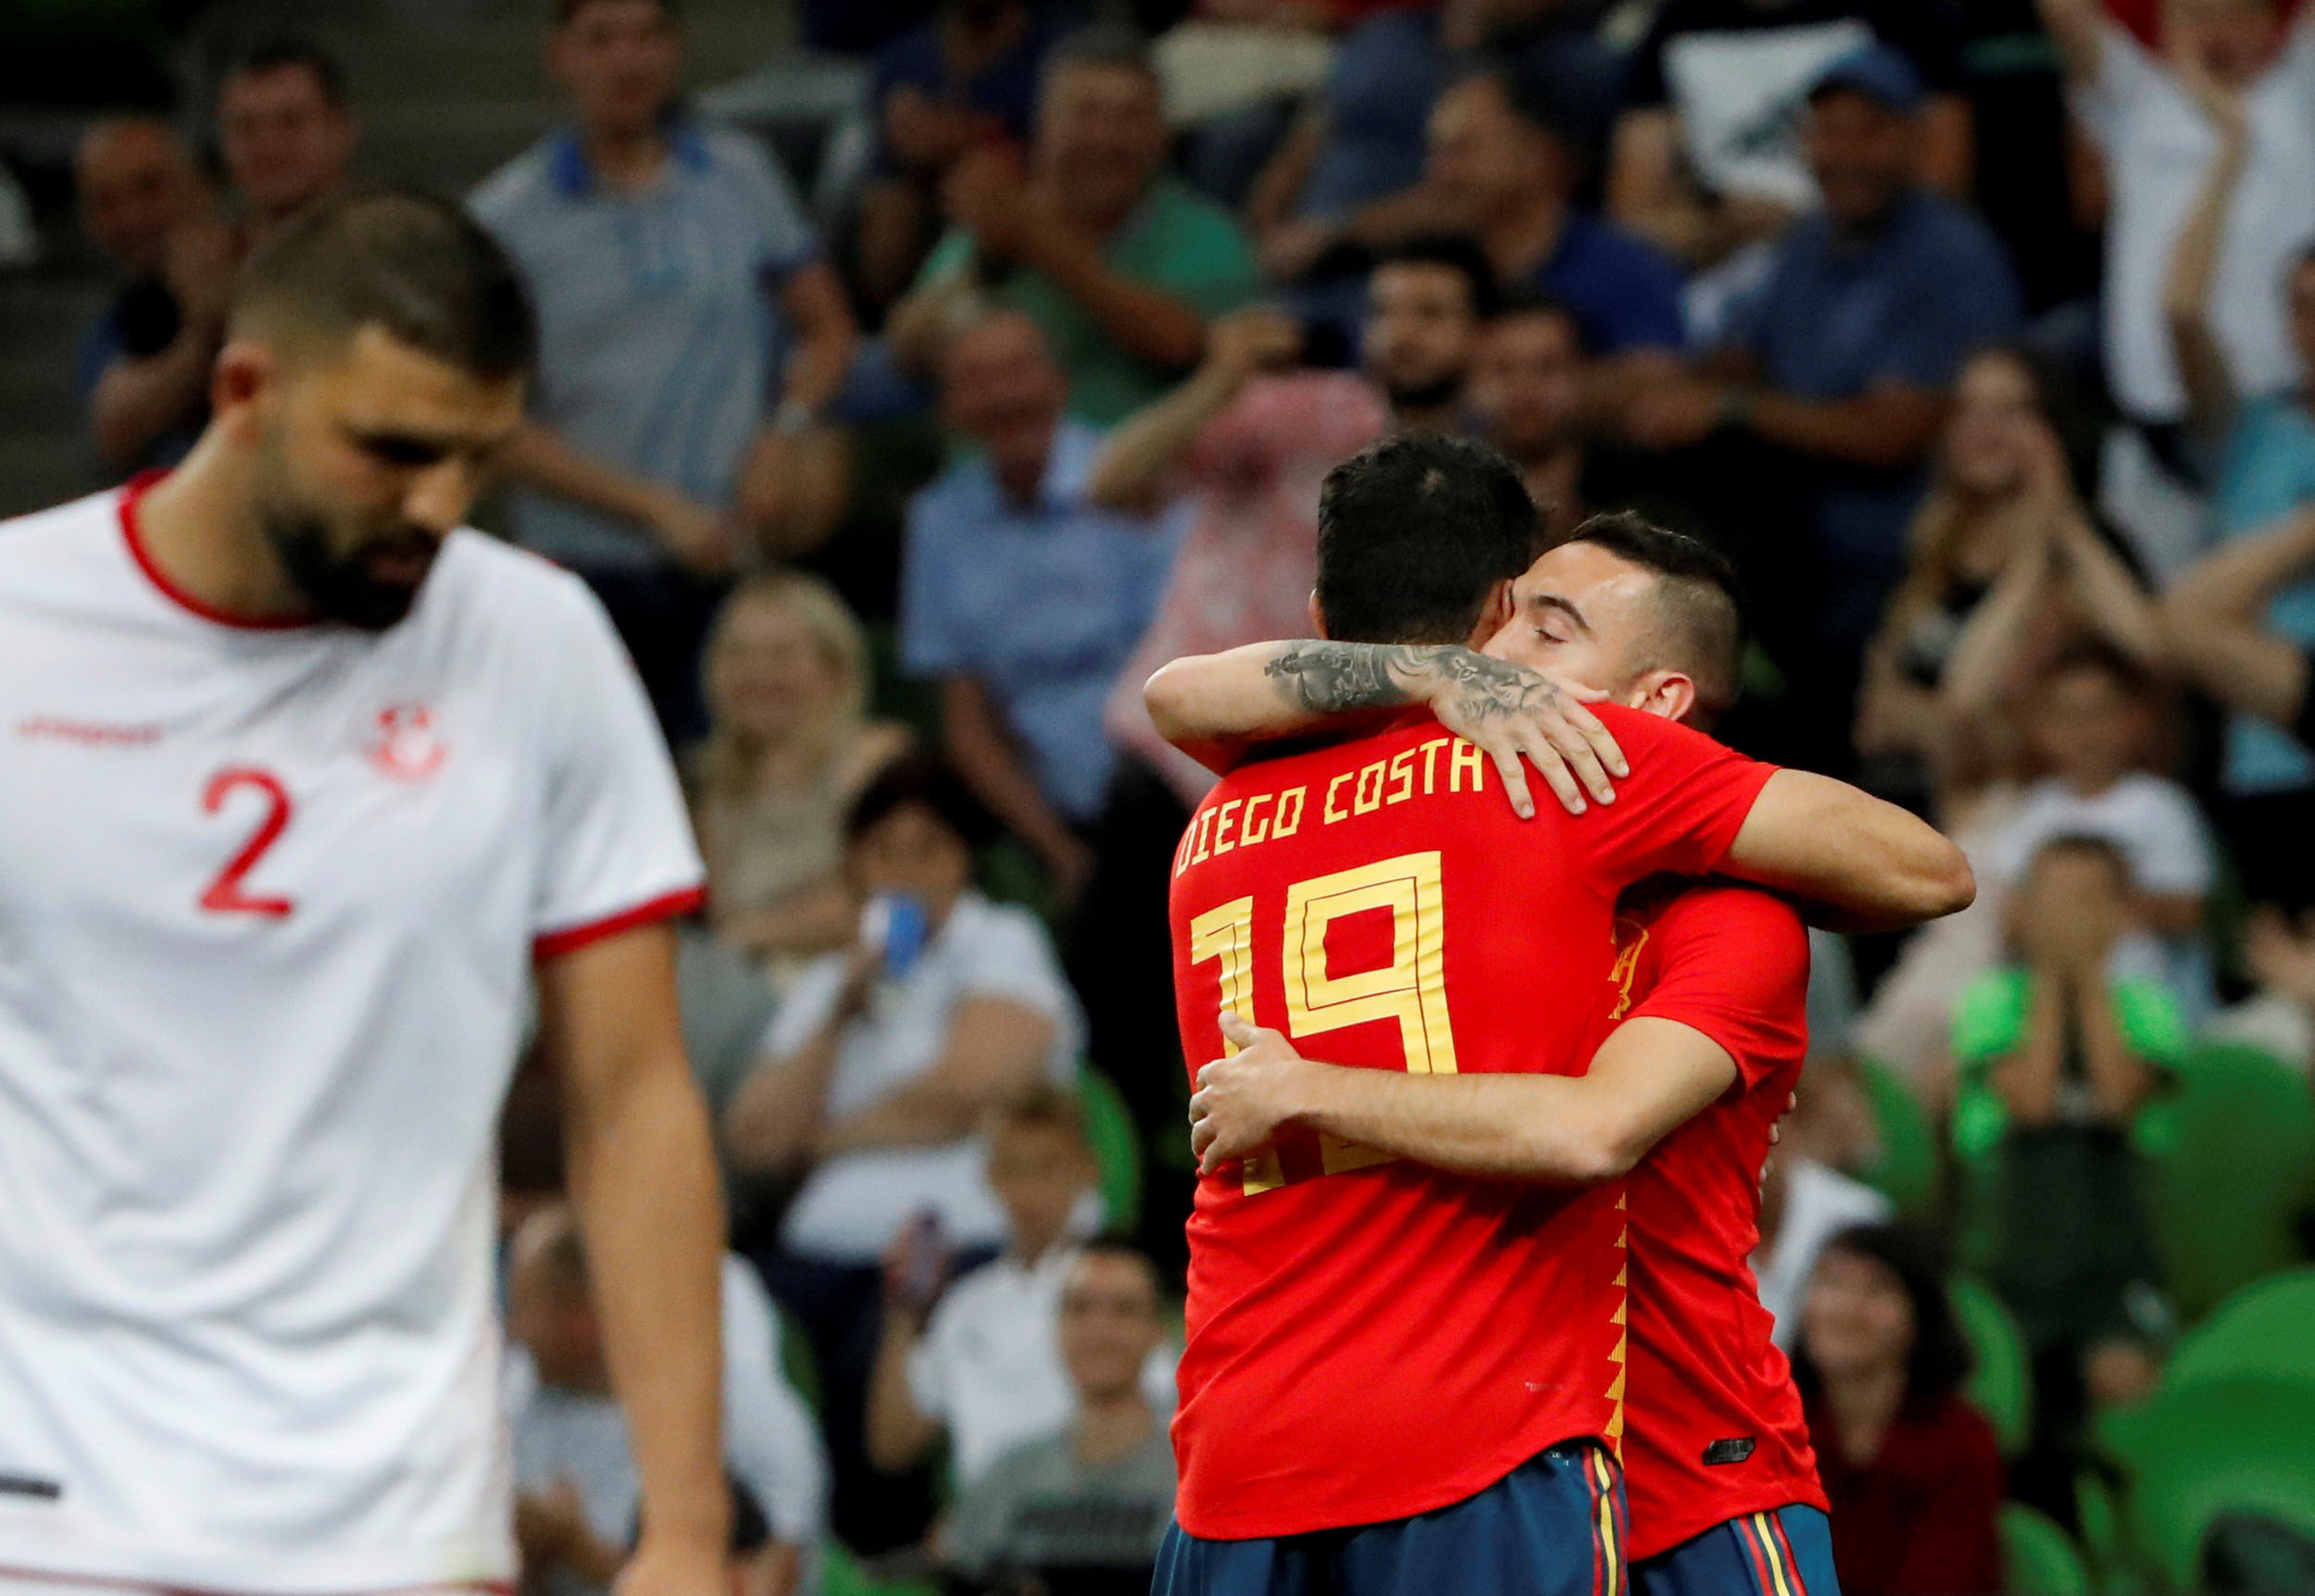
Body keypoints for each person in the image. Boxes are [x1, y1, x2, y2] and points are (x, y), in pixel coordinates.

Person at [0, 191, 728, 1593]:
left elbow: (633, 1098)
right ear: (243, 390)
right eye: (393, 451)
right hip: (40, 1504)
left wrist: (686, 1533)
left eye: (475, 458)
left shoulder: (537, 639)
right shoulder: (14, 625)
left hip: (394, 1514)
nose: (438, 508)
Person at [1146, 437, 1971, 1592]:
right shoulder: (1475, 793)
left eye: (1549, 631)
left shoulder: (1732, 922)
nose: (1501, 660)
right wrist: (1428, 674)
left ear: (1657, 704)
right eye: (1512, 622)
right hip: (1489, 1450)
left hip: (1690, 1486)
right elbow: (1181, 692)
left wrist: (1303, 1086)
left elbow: (1594, 1127)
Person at [1082, 239, 1491, 1250]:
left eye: (1434, 309)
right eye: (1390, 308)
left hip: (1324, 787)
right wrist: (1221, 376)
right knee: (1131, 1028)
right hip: (1169, 756)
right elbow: (1110, 478)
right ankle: (1134, 1237)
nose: (1405, 330)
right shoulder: (1303, 412)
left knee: (1279, 1035)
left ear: (1481, 333)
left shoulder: (1487, 478)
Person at [1622, 44, 2024, 772]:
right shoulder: (1810, 242)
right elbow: (1745, 353)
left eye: (1867, 130)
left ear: (1911, 138)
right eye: (1827, 132)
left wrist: (1733, 406)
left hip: (1909, 556)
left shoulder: (1950, 255)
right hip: (1804, 556)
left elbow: (1896, 434)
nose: (1844, 153)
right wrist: (1656, 387)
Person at [725, 754, 1084, 1551]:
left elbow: (956, 1097)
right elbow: (752, 1139)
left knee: (876, 1332)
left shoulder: (1001, 942)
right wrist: (840, 1011)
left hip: (966, 1233)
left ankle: (883, 1547)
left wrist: (817, 1142)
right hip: (815, 1250)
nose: (903, 869)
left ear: (961, 857)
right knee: (733, 1317)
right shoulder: (830, 981)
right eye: (882, 851)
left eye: (925, 848)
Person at [473, 0, 858, 741]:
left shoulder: (741, 174)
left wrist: (786, 431)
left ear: (675, 49)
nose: (628, 59)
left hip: (730, 558)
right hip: (581, 569)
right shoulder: (506, 218)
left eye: (648, 36)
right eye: (602, 38)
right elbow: (490, 422)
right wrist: (656, 510)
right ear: (560, 54)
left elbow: (829, 330)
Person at [901, 307, 1181, 902]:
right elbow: (968, 725)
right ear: (951, 408)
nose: (1002, 396)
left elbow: (1192, 652)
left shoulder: (1131, 474)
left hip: (1173, 787)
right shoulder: (940, 522)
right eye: (977, 380)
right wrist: (1059, 853)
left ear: (1060, 381)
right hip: (1054, 813)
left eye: (1017, 371)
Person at [1950, 834, 2182, 1505]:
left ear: (2122, 912)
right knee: (1996, 1416)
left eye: (2086, 900)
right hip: (2006, 1263)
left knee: (2124, 1395)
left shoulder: (2147, 1007)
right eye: (2050, 897)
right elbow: (2033, 1100)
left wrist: (2084, 974)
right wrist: (2051, 972)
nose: (2065, 915)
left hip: (2114, 1267)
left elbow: (2113, 1098)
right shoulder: (1991, 1001)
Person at [889, 25, 1263, 427]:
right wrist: (980, 264)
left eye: (1130, 117)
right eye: (1085, 114)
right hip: (983, 476)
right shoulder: (1000, 223)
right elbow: (908, 351)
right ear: (1043, 126)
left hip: (1134, 475)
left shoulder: (1209, 235)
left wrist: (1038, 242)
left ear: (1160, 137)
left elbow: (1181, 347)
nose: (1106, 138)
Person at [1855, 346, 2165, 814]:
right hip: (1907, 794)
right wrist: (1939, 723)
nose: (1984, 429)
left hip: (2035, 799)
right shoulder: (1928, 547)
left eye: (2008, 410)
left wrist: (2057, 512)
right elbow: (1875, 716)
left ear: (2050, 427)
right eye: (1966, 409)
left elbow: (2148, 649)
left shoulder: (2086, 547)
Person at [507, 1203, 826, 1596]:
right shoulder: (516, 1396)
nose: (513, 1333)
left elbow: (776, 1581)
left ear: (584, 1319)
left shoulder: (741, 1408)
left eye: (523, 1309)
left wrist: (581, 1554)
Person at [866, 1087, 1175, 1489]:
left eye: (1047, 1167)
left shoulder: (1115, 1292)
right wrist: (903, 1317)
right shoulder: (965, 1306)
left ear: (1087, 1169)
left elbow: (1164, 1420)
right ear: (990, 1177)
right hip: (988, 1533)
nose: (1029, 1190)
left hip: (1098, 1517)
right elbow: (892, 1447)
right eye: (1013, 1169)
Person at [2033, 0, 2315, 436]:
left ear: (2270, 24)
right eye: (2194, 16)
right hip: (2161, 409)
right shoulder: (2135, 94)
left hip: (2288, 404)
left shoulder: (2299, 90)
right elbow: (2064, 12)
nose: (2215, 33)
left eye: (2234, 13)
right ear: (2163, 27)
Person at [1244, 0, 1625, 288]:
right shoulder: (1384, 34)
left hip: (1413, 275)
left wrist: (1336, 234)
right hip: (1297, 257)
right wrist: (1265, 226)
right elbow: (1310, 136)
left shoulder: (1565, 69)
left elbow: (1509, 197)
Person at [2162, 242, 2315, 905]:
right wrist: (2230, 151)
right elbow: (2181, 311)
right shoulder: (2252, 431)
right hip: (2268, 748)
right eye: (2305, 308)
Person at [1608, 0, 1971, 269]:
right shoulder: (1674, 26)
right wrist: (1718, 228)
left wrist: (1805, 226)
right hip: (1717, 269)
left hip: (1868, 261)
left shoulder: (1903, 16)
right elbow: (1632, 218)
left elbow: (1941, 190)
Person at [689, 572, 912, 976]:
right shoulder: (716, 780)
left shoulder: (876, 760)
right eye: (738, 654)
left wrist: (751, 935)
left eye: (782, 654)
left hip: (862, 984)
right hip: (748, 987)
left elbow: (900, 899)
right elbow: (720, 918)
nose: (757, 673)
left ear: (836, 669)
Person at [943, 1244, 1181, 1596]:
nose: (1099, 1329)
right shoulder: (1004, 1478)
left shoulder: (1193, 1479)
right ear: (1056, 1328)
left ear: (1158, 1330)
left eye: (1124, 1310)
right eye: (1079, 1309)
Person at [1793, 1224, 2006, 1596]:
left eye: (1876, 1289)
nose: (1843, 1307)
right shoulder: (1774, 1429)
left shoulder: (1961, 1443)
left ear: (1920, 1316)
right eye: (1830, 1283)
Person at [1420, 69, 1685, 358]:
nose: (1439, 172)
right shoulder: (1418, 272)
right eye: (1436, 151)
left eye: (1461, 150)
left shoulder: (1627, 271)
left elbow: (1660, 379)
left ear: (1537, 154)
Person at [854, 0, 1059, 313]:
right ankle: (889, 324)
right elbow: (889, 153)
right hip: (918, 189)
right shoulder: (901, 59)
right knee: (888, 209)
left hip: (1019, 197)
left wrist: (963, 137)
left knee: (986, 179)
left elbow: (1053, 152)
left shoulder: (1055, 54)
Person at [73, 117, 232, 471]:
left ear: (200, 185)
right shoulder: (112, 328)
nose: (131, 216)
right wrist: (205, 326)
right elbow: (116, 429)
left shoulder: (276, 273)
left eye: (149, 187)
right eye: (105, 201)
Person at [1467, 293, 1591, 541]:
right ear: (1471, 381)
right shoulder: (1440, 502)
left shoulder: (1640, 492)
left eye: (1548, 368)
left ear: (1581, 375)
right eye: (1504, 369)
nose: (1526, 391)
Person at [218, 40, 359, 236]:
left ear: (341, 127)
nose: (268, 147)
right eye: (246, 127)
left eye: (291, 122)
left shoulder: (392, 243)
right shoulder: (211, 253)